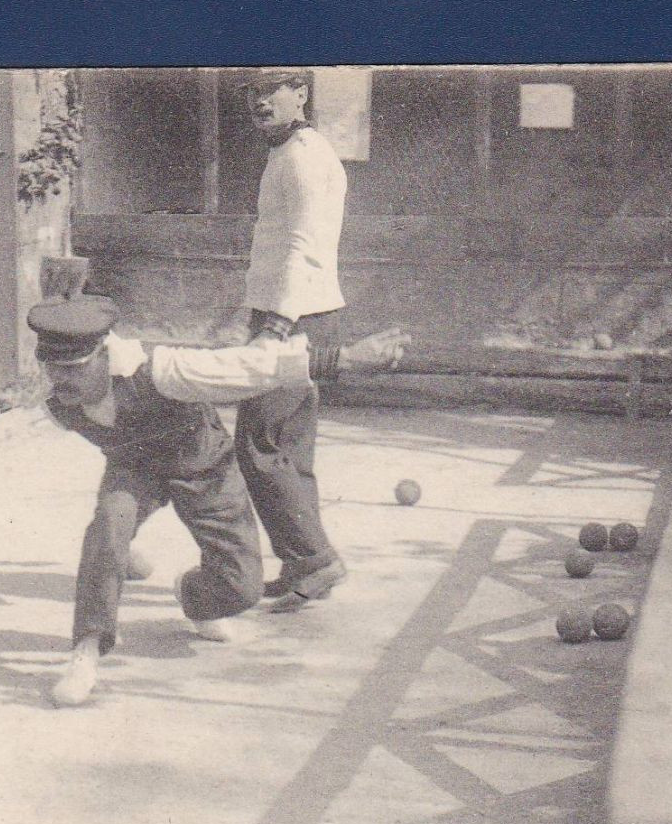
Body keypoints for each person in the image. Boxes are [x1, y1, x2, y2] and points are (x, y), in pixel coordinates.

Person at [30, 293, 401, 708]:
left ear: (104, 353)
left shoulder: (165, 370)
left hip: (204, 469)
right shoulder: (59, 406)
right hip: (133, 469)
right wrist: (113, 550)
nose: (61, 382)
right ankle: (87, 650)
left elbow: (249, 368)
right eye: (51, 369)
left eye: (73, 369)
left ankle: (196, 597)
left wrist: (342, 358)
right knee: (109, 523)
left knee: (242, 589)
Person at [236, 68, 352, 611]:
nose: (260, 101)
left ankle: (315, 559)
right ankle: (302, 559)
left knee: (258, 445)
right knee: (287, 448)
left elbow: (306, 247)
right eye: (252, 93)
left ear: (300, 93)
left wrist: (277, 324)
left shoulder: (304, 156)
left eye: (270, 90)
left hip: (294, 317)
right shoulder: (288, 152)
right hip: (294, 312)